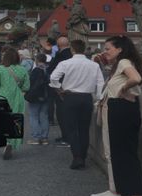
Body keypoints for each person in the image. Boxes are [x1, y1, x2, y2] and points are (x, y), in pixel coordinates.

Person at [99, 37, 142, 196]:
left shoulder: (124, 61)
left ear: (119, 49)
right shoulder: (121, 63)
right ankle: (126, 195)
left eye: (108, 48)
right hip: (120, 109)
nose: (105, 51)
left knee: (126, 154)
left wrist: (124, 88)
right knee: (119, 153)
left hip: (123, 109)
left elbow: (136, 78)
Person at [49, 39, 104, 170]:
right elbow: (100, 83)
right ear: (84, 49)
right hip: (86, 98)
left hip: (70, 97)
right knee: (84, 128)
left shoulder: (65, 63)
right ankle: (83, 156)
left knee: (72, 129)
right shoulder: (94, 65)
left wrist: (59, 88)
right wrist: (99, 98)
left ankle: (77, 157)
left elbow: (53, 78)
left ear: (72, 50)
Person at [0, 48, 29, 160]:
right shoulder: (22, 70)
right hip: (17, 98)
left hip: (3, 97)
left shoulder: (0, 69)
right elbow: (26, 86)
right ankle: (11, 142)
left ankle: (5, 141)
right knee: (15, 120)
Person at [47, 35, 73, 145]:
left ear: (58, 45)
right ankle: (67, 136)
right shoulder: (71, 55)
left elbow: (53, 72)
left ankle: (66, 136)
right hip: (71, 87)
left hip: (60, 88)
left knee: (62, 113)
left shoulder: (60, 56)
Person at [24, 53, 51, 146]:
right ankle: (44, 138)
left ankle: (36, 137)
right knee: (44, 116)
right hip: (46, 96)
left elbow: (30, 84)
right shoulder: (48, 70)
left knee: (33, 116)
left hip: (35, 96)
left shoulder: (36, 70)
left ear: (37, 60)